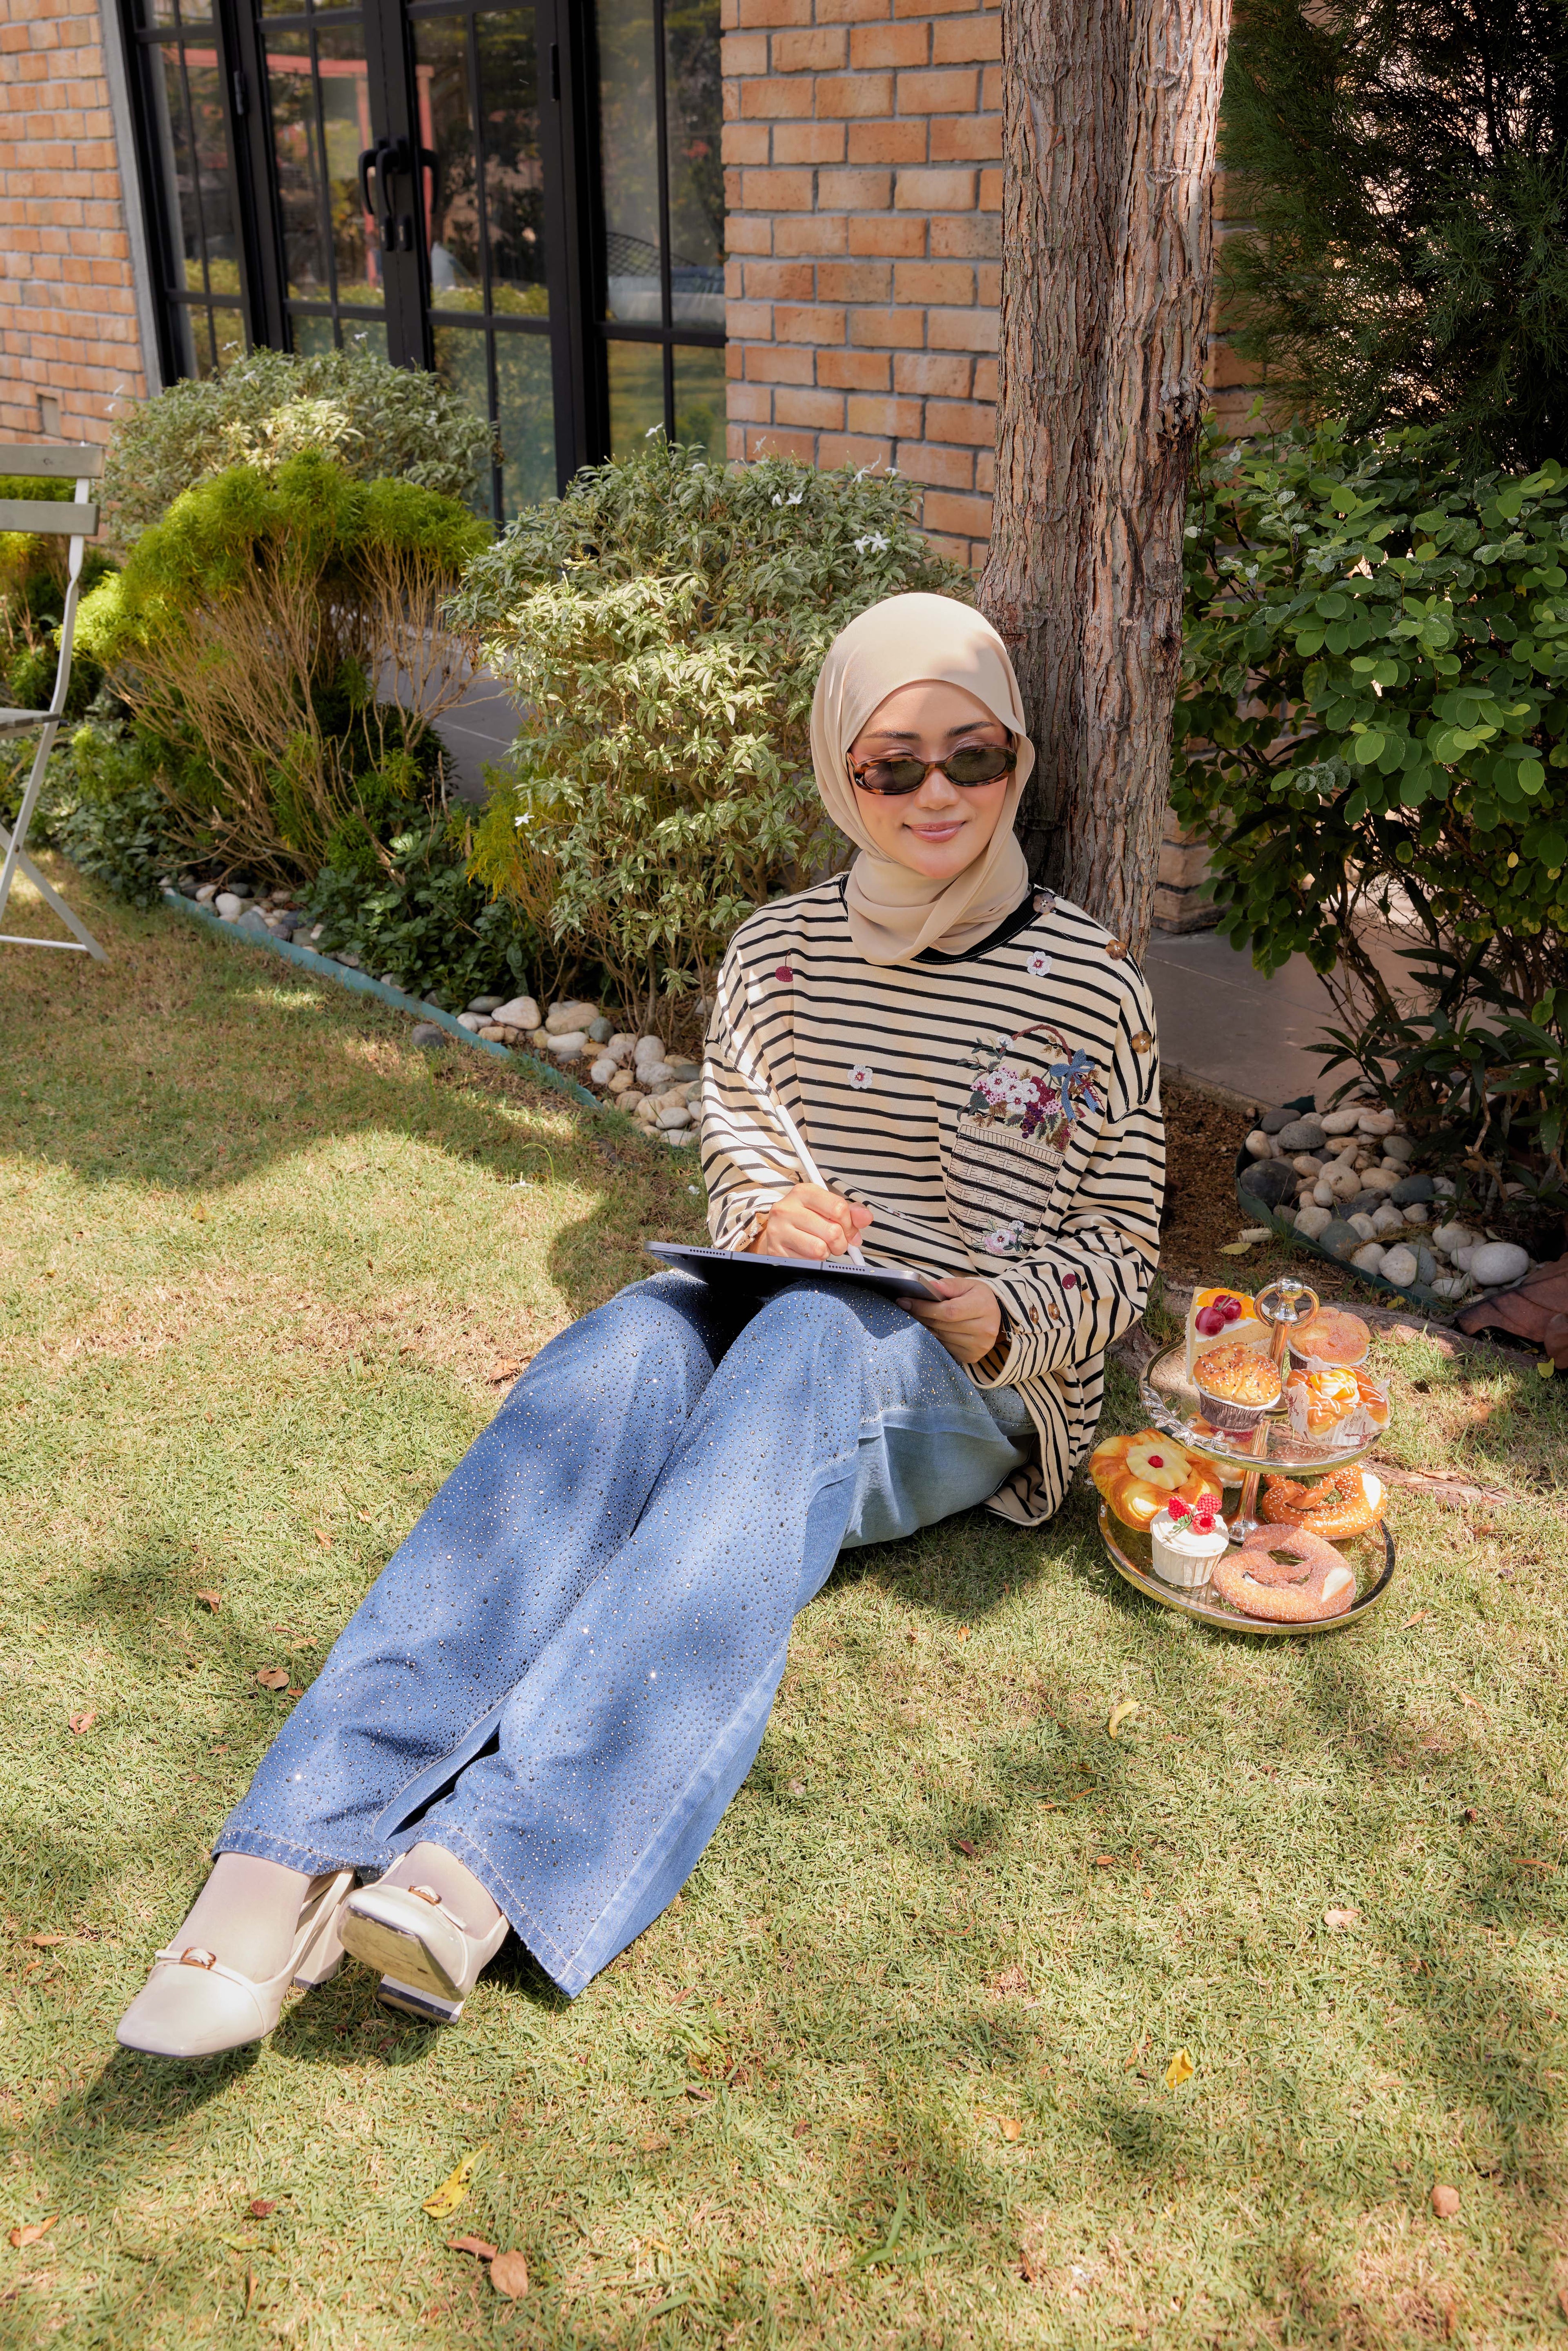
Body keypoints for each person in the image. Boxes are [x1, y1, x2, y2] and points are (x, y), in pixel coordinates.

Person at [116, 593, 1163, 2060]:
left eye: (972, 757)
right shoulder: (781, 955)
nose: (939, 796)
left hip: (958, 1379)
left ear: (1020, 760)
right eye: (892, 766)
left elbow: (1122, 1249)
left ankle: (488, 1865)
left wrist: (1004, 1317)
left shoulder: (1089, 980)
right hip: (783, 1313)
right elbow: (743, 1154)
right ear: (836, 775)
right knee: (625, 1343)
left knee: (801, 1344)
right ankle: (286, 1847)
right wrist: (770, 1221)